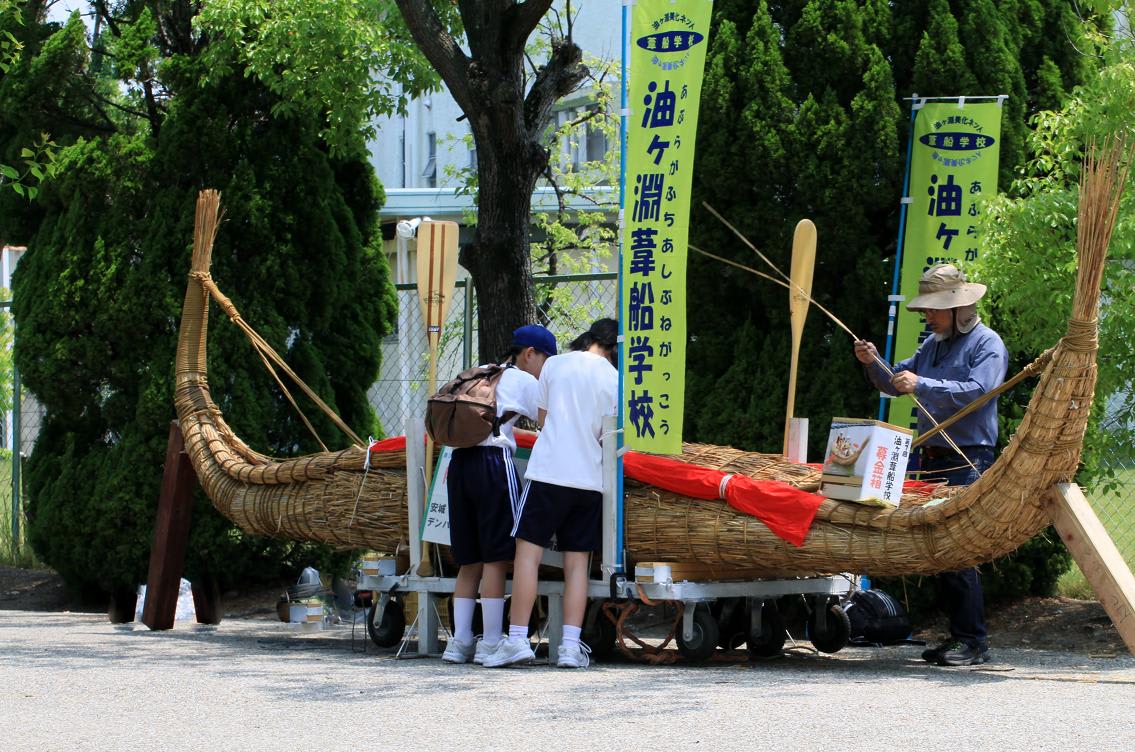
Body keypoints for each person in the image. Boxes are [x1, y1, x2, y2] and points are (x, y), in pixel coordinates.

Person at [853, 264, 1008, 667]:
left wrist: (922, 385)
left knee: (958, 551)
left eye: (934, 310)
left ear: (959, 308)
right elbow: (895, 379)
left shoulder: (987, 345)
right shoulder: (934, 344)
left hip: (967, 457)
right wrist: (873, 363)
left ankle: (973, 642)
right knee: (940, 552)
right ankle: (960, 637)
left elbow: (979, 391)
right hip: (932, 458)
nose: (927, 316)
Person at [483, 318, 618, 669]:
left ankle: (516, 641)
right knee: (578, 564)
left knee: (527, 555)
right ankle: (571, 648)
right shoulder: (616, 379)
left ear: (587, 337)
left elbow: (541, 420)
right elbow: (611, 435)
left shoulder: (555, 364)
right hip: (589, 480)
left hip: (548, 473)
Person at [441, 324, 557, 664]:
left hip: (458, 464)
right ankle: (491, 641)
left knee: (469, 559)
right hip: (493, 465)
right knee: (495, 558)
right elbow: (549, 421)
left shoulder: (480, 373)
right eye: (544, 360)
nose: (544, 369)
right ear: (529, 353)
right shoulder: (524, 380)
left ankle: (459, 641)